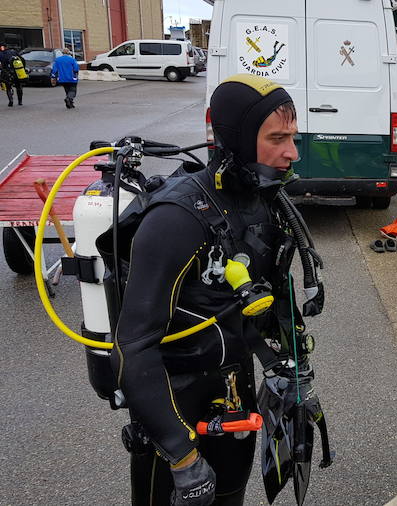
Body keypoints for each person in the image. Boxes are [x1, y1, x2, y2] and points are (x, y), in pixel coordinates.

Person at [98, 74, 323, 505]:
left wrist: (294, 370)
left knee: (230, 497)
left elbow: (269, 301)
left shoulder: (266, 202)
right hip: (173, 403)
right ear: (236, 138)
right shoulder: (176, 219)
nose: (292, 152)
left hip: (234, 389)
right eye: (277, 138)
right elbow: (132, 345)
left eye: (292, 137)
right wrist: (181, 456)